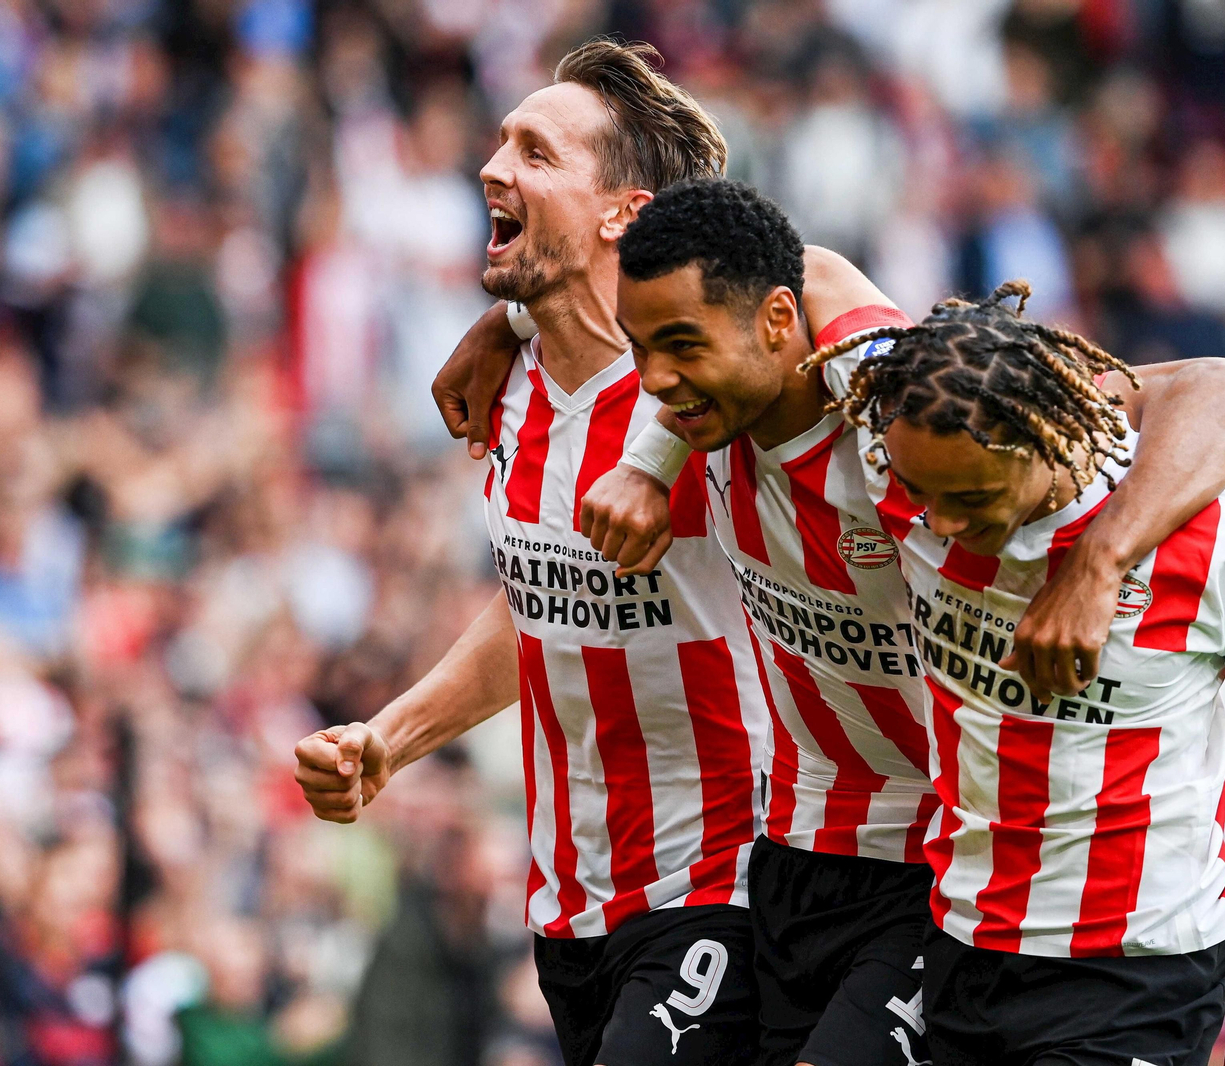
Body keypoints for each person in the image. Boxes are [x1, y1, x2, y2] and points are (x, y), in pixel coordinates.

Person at [294, 40, 923, 1066]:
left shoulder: (707, 385)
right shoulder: (507, 384)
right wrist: (392, 739)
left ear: (623, 214)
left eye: (536, 154)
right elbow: (541, 600)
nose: (492, 168)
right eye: (501, 143)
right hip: (569, 901)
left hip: (722, 878)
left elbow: (795, 274)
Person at [568, 177, 1225, 1066]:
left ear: (778, 321)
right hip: (794, 845)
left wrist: (1101, 563)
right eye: (641, 350)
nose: (653, 379)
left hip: (932, 861)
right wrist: (645, 455)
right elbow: (756, 274)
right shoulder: (703, 410)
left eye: (679, 347)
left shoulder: (901, 409)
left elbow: (1224, 387)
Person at [826, 282, 1225, 1066]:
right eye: (919, 492)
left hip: (1139, 967)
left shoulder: (1223, 538)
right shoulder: (907, 472)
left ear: (1048, 441)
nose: (940, 522)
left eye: (971, 496)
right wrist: (653, 460)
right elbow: (794, 277)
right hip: (961, 938)